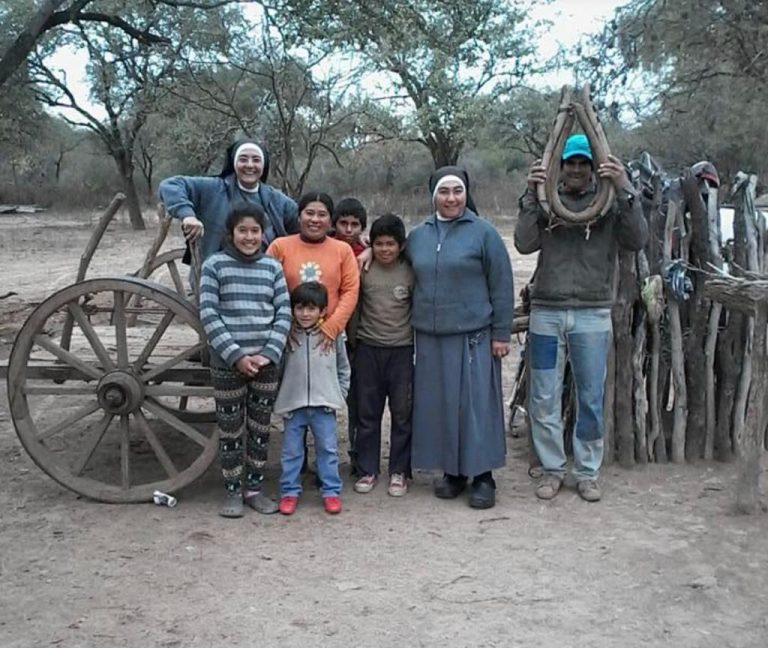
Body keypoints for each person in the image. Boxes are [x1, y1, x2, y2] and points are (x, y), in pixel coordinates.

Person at [515, 133, 648, 502]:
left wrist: (624, 188)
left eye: (582, 164)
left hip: (592, 313)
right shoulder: (545, 201)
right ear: (561, 166)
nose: (575, 170)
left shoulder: (609, 203)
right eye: (570, 163)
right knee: (543, 396)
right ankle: (552, 469)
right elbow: (524, 243)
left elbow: (637, 239)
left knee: (590, 396)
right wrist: (530, 194)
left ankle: (587, 472)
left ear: (593, 168)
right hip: (547, 311)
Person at [407, 166, 514, 509]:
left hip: (474, 336)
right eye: (444, 192)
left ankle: (482, 475)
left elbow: (501, 285)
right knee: (441, 406)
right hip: (430, 337)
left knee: (476, 407)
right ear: (433, 195)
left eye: (457, 191)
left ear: (466, 193)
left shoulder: (484, 234)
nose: (451, 198)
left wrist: (501, 333)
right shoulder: (419, 235)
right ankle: (453, 472)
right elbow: (395, 262)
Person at [198, 202, 292, 518]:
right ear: (231, 233)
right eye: (243, 231)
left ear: (263, 234)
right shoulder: (214, 266)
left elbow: (284, 312)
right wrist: (236, 356)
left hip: (265, 364)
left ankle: (254, 489)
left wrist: (268, 354)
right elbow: (209, 313)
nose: (249, 237)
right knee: (230, 430)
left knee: (260, 429)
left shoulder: (272, 268)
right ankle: (232, 492)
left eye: (255, 231)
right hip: (228, 364)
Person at [350, 214, 414, 497]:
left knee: (402, 414)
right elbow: (354, 307)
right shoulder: (363, 268)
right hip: (368, 349)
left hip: (402, 351)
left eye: (391, 244)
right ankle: (367, 470)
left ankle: (399, 471)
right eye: (379, 243)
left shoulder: (412, 270)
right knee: (367, 413)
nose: (385, 249)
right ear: (371, 244)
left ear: (401, 245)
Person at [274, 282, 351, 515]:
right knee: (291, 451)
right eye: (299, 308)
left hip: (323, 405)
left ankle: (331, 492)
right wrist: (280, 397)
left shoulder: (332, 334)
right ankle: (289, 491)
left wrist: (339, 394)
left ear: (323, 310)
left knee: (327, 449)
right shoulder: (287, 336)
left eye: (311, 309)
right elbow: (278, 370)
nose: (304, 314)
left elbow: (343, 368)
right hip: (293, 405)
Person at [159, 138, 299, 260]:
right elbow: (170, 185)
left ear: (264, 165)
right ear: (234, 163)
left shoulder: (278, 201)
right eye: (243, 159)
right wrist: (187, 215)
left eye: (256, 160)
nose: (250, 165)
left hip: (264, 279)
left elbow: (302, 225)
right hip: (216, 278)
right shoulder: (213, 188)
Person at [266, 192, 360, 348]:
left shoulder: (343, 250)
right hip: (288, 335)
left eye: (322, 215)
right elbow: (267, 289)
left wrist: (331, 327)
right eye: (309, 213)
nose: (315, 220)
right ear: (299, 216)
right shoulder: (279, 246)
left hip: (329, 336)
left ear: (330, 220)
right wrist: (283, 327)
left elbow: (350, 291)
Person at [331, 196, 368, 475]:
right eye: (343, 223)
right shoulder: (325, 249)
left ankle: (357, 456)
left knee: (357, 401)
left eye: (354, 224)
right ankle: (318, 461)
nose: (348, 229)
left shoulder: (368, 253)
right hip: (326, 335)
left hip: (357, 338)